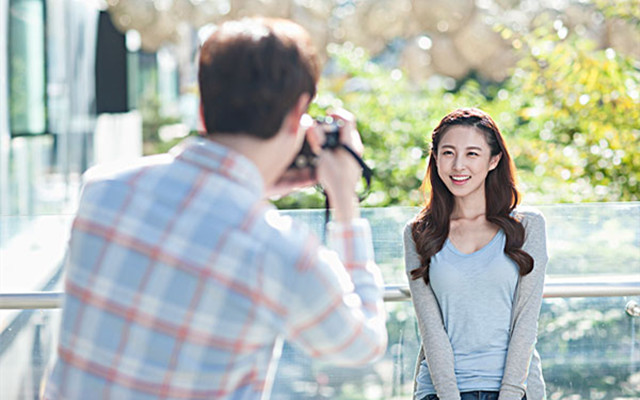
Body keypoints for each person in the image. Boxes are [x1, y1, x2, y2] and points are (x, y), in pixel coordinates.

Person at [43, 17, 387, 399]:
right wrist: (345, 203)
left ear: (203, 109)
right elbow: (364, 344)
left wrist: (256, 189)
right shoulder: (282, 254)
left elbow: (190, 238)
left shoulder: (103, 188)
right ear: (297, 114)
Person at [403, 108, 547, 400]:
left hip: (515, 390)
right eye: (448, 153)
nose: (458, 165)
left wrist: (508, 394)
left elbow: (526, 321)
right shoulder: (419, 233)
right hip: (441, 393)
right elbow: (431, 329)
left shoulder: (528, 226)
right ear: (435, 158)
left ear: (493, 160)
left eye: (472, 154)